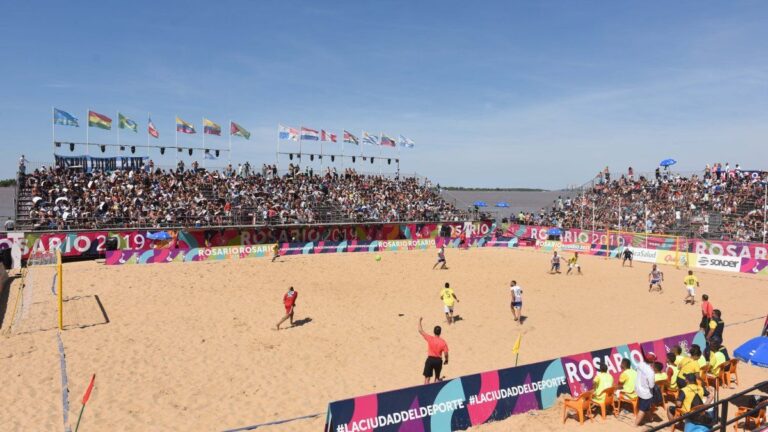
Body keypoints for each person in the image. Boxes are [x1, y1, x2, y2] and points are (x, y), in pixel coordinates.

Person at [418, 317, 449, 384]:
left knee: (427, 378)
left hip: (430, 360)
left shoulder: (430, 339)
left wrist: (419, 320)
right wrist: (446, 360)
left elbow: (420, 330)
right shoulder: (443, 342)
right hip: (438, 361)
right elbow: (446, 353)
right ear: (440, 333)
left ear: (434, 332)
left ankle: (425, 391)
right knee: (437, 378)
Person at [634, 352, 658, 426]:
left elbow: (636, 370)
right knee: (642, 409)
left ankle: (651, 418)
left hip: (638, 388)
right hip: (645, 393)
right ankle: (635, 424)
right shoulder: (650, 372)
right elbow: (651, 386)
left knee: (646, 406)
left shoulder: (640, 364)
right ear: (652, 361)